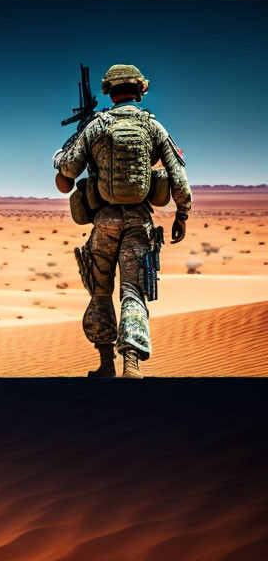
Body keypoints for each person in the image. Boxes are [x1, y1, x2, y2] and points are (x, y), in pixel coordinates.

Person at [53, 64, 192, 379]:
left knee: (100, 292)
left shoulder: (96, 127)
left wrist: (59, 158)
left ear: (109, 91)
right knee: (133, 290)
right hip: (138, 224)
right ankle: (132, 363)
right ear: (140, 90)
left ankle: (105, 364)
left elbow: (68, 172)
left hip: (104, 223)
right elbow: (178, 177)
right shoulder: (154, 128)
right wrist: (182, 213)